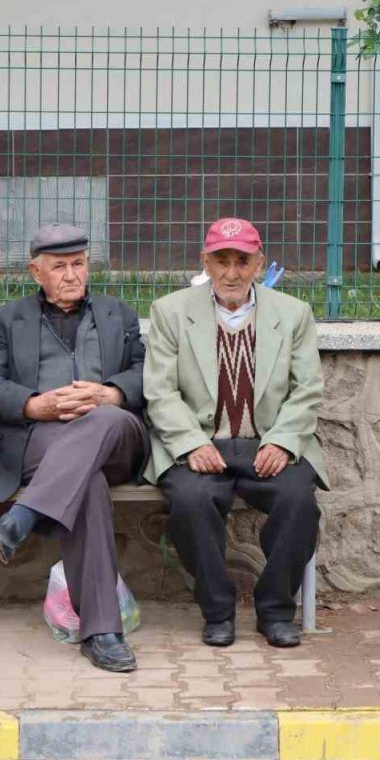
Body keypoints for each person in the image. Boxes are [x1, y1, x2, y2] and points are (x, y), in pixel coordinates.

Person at [143, 217, 328, 649]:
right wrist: (190, 443)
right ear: (204, 262)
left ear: (259, 264)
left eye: (242, 261)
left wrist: (282, 441)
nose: (231, 272)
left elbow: (308, 390)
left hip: (266, 443)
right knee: (190, 500)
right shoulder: (170, 312)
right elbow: (160, 391)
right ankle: (217, 610)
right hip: (200, 444)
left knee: (299, 501)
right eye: (221, 261)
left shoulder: (293, 314)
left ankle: (276, 610)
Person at [0, 224, 147, 673]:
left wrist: (110, 394)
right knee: (84, 482)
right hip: (44, 439)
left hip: (117, 438)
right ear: (36, 271)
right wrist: (35, 405)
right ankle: (102, 632)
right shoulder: (7, 321)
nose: (71, 275)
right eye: (59, 267)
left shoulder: (120, 316)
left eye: (78, 264)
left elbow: (148, 373)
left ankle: (23, 517)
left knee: (104, 418)